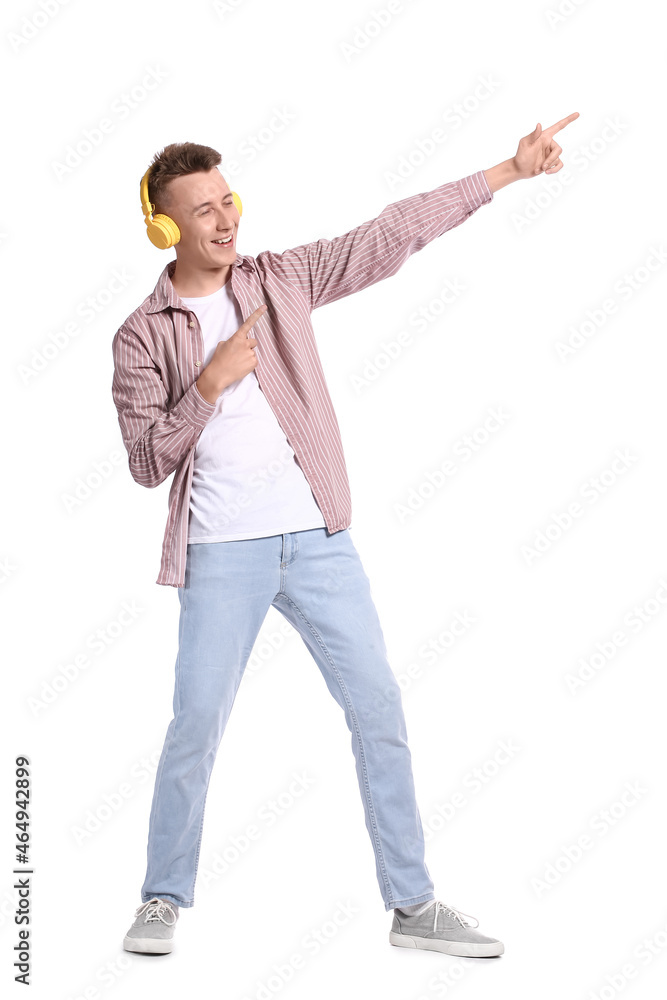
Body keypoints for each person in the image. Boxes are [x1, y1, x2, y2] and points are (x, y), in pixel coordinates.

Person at [113, 113, 579, 958]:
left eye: (228, 200)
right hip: (221, 553)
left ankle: (413, 906)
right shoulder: (142, 336)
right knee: (195, 723)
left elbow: (388, 233)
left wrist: (506, 173)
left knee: (379, 709)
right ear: (163, 226)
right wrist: (210, 386)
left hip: (318, 541)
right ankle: (160, 898)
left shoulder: (280, 279)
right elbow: (147, 462)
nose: (225, 220)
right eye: (204, 209)